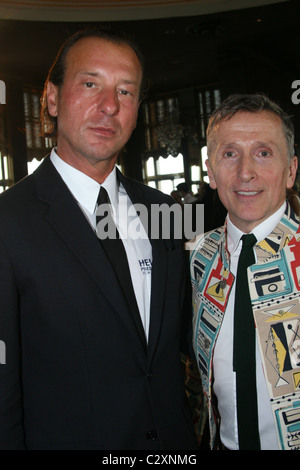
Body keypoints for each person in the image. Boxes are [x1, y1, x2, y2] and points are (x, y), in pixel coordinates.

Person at [0, 28, 198, 450]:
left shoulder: (164, 213)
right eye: (90, 84)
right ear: (51, 98)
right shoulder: (8, 223)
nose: (109, 106)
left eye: (125, 92)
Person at [189, 93, 300, 450]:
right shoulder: (199, 257)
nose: (245, 172)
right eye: (230, 153)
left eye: (264, 153)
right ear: (211, 172)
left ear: (291, 170)